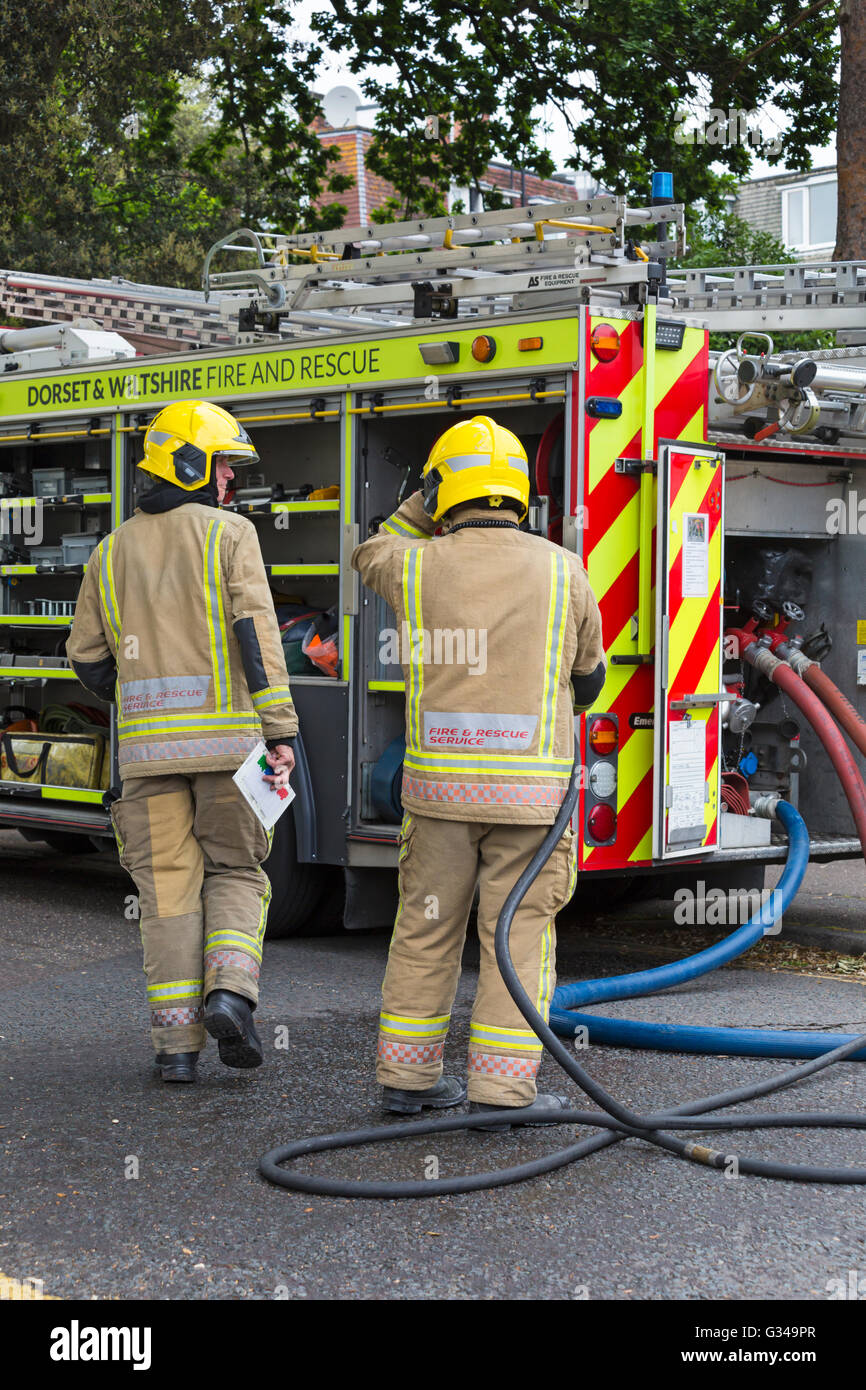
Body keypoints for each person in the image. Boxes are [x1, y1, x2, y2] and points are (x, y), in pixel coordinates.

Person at [352, 415, 606, 1128]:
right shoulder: (564, 569)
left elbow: (369, 549)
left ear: (442, 490)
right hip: (531, 802)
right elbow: (588, 681)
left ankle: (407, 1081)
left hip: (438, 799)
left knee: (426, 928)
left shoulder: (414, 564)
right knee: (518, 934)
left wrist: (417, 505)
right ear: (519, 489)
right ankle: (501, 1093)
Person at [67, 400, 298, 1083]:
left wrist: (137, 688)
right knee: (235, 871)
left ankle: (176, 1051)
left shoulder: (109, 551)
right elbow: (256, 636)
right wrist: (279, 729)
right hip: (229, 752)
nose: (230, 480)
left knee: (166, 894)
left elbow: (85, 656)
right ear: (191, 465)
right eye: (225, 465)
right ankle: (230, 993)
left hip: (144, 760)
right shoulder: (230, 535)